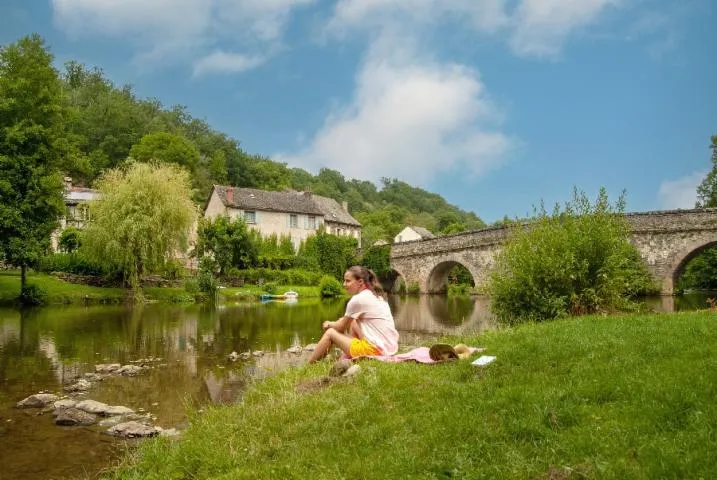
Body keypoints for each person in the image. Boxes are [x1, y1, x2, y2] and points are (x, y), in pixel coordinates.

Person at [308, 266, 399, 363]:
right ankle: (350, 356)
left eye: (348, 281)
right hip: (389, 348)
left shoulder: (358, 300)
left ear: (360, 282)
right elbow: (346, 322)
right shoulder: (375, 295)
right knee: (353, 321)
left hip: (376, 351)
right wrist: (339, 322)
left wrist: (329, 323)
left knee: (330, 333)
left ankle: (309, 365)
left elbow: (341, 327)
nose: (344, 284)